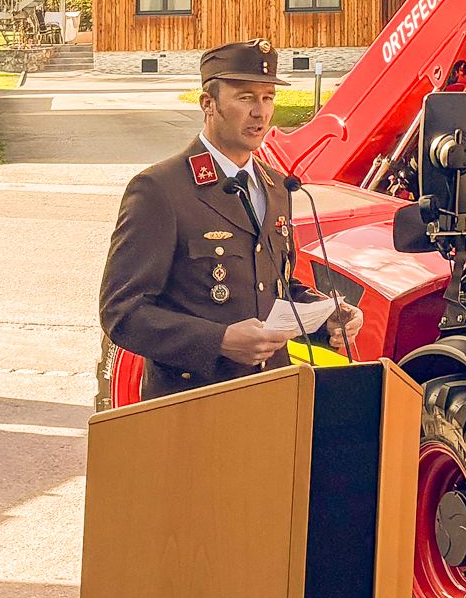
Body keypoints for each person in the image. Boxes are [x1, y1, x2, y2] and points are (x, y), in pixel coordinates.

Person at [99, 39, 363, 400]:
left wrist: (325, 316)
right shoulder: (160, 189)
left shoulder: (275, 187)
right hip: (192, 404)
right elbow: (123, 312)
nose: (260, 112)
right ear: (208, 104)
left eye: (268, 97)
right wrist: (218, 341)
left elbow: (275, 288)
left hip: (272, 397)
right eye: (245, 97)